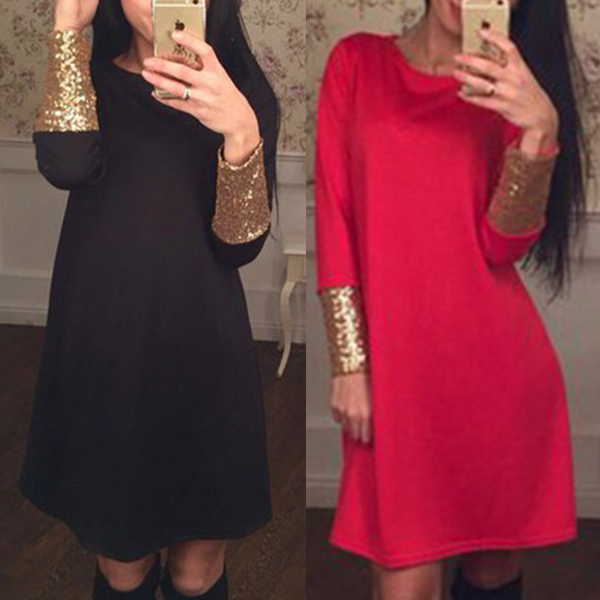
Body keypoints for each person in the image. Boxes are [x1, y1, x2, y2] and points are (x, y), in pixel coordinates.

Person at [313, 0, 589, 599]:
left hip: (496, 380)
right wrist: (350, 362)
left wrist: (539, 131)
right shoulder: (356, 63)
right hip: (396, 379)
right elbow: (335, 221)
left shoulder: (512, 93)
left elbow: (502, 243)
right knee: (406, 583)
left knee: (492, 574)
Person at [18, 0, 279, 598]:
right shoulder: (91, 81)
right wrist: (67, 28)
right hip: (106, 345)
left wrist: (241, 131)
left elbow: (239, 247)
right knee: (123, 566)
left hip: (204, 349)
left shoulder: (241, 96)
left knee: (197, 571)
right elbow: (67, 165)